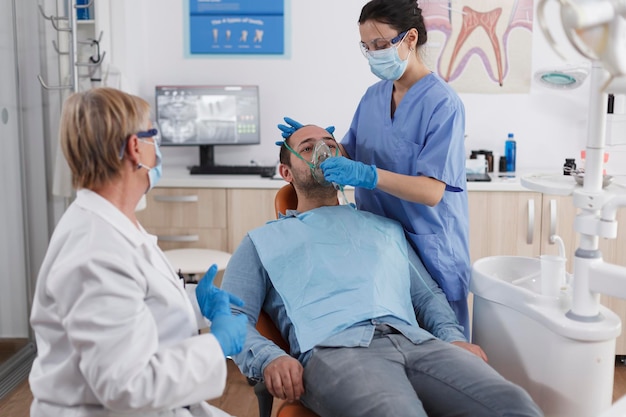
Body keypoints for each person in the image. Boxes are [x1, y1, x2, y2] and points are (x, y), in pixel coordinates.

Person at [220, 122, 543, 417]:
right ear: (286, 172)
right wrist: (269, 358)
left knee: (513, 404)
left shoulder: (384, 228)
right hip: (336, 351)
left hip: (417, 343)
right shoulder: (263, 241)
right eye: (307, 148)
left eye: (330, 145)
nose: (322, 151)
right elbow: (230, 314)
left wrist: (451, 337)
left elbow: (427, 296)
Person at [28, 87, 247, 417]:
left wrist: (192, 304)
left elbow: (132, 307)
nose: (156, 146)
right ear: (135, 147)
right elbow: (127, 385)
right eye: (153, 134)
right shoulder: (95, 252)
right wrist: (216, 346)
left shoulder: (112, 221)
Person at [292, 0, 472, 338]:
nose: (374, 54)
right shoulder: (373, 97)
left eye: (380, 45)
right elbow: (350, 150)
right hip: (379, 249)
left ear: (409, 38)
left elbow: (432, 191)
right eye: (367, 47)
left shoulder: (443, 104)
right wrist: (313, 142)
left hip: (430, 248)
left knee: (444, 352)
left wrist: (368, 175)